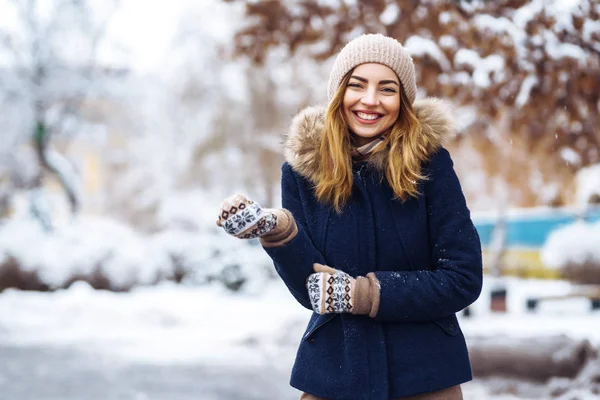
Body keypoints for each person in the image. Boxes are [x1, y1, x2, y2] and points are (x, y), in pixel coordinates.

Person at [217, 33, 483, 400]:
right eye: (357, 85)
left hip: (424, 377)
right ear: (338, 92)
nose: (370, 100)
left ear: (403, 101)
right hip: (334, 373)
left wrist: (366, 294)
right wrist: (278, 232)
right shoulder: (301, 172)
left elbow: (462, 278)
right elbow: (313, 290)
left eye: (387, 89)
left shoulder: (430, 165)